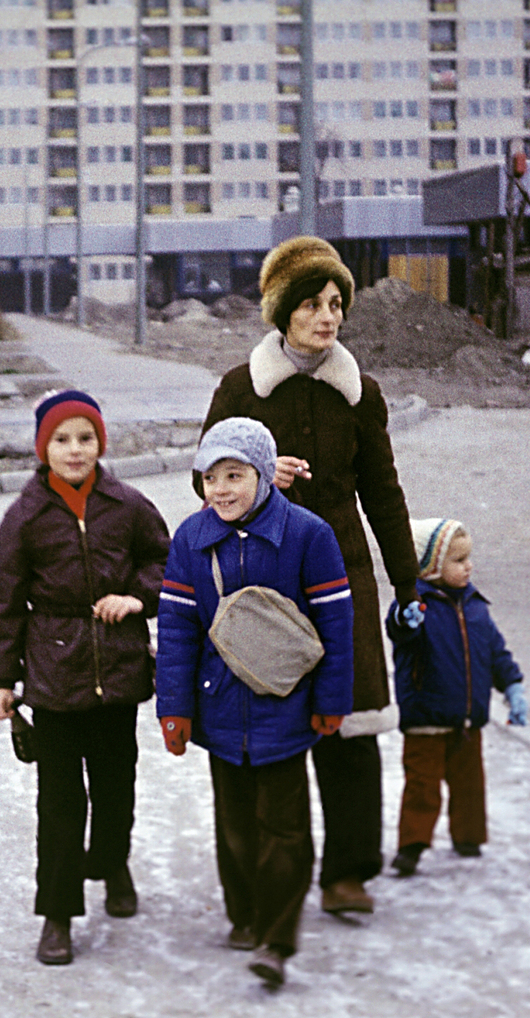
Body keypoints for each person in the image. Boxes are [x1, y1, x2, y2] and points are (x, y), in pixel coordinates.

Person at [199, 236, 421, 917]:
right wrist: (262, 479)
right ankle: (273, 873)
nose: (327, 317)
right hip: (264, 578)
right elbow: (205, 480)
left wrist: (408, 584)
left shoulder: (361, 394)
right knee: (273, 729)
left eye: (336, 304)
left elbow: (383, 491)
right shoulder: (241, 388)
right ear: (282, 311)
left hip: (342, 575)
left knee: (349, 726)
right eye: (312, 304)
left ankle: (347, 873)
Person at [156, 417, 354, 989]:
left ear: (265, 476)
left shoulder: (309, 535)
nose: (220, 489)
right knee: (237, 826)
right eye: (211, 476)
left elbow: (335, 625)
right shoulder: (190, 540)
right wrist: (176, 708)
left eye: (234, 475)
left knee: (285, 827)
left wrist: (332, 700)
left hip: (288, 707)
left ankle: (276, 935)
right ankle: (244, 916)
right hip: (219, 710)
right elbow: (176, 632)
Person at [0, 390, 170, 966]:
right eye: (61, 440)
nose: (74, 450)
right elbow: (4, 602)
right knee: (59, 804)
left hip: (118, 674)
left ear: (100, 443)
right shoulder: (25, 517)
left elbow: (167, 565)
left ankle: (112, 863)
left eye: (85, 438)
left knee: (116, 792)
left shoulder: (128, 505)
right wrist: (0, 677)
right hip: (53, 679)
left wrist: (135, 597)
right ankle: (58, 915)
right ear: (44, 449)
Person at [387, 518, 528, 876]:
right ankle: (412, 846)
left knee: (469, 784)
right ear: (431, 566)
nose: (469, 566)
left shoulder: (476, 606)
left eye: (469, 558)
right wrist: (406, 620)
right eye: (458, 560)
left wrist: (512, 685)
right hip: (426, 717)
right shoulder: (416, 606)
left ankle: (468, 837)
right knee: (423, 786)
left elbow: (495, 651)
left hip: (467, 717)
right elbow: (398, 630)